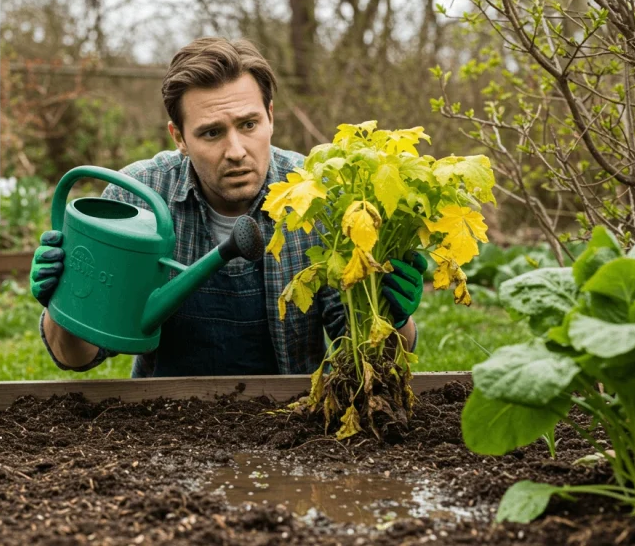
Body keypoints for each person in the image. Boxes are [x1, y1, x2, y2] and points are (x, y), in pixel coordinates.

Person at [30, 37, 425, 378]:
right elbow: (76, 357)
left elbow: (368, 349)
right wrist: (65, 299)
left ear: (271, 117)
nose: (236, 151)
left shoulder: (318, 198)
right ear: (179, 137)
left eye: (249, 125)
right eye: (212, 133)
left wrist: (395, 316)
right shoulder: (139, 197)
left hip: (295, 420)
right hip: (161, 421)